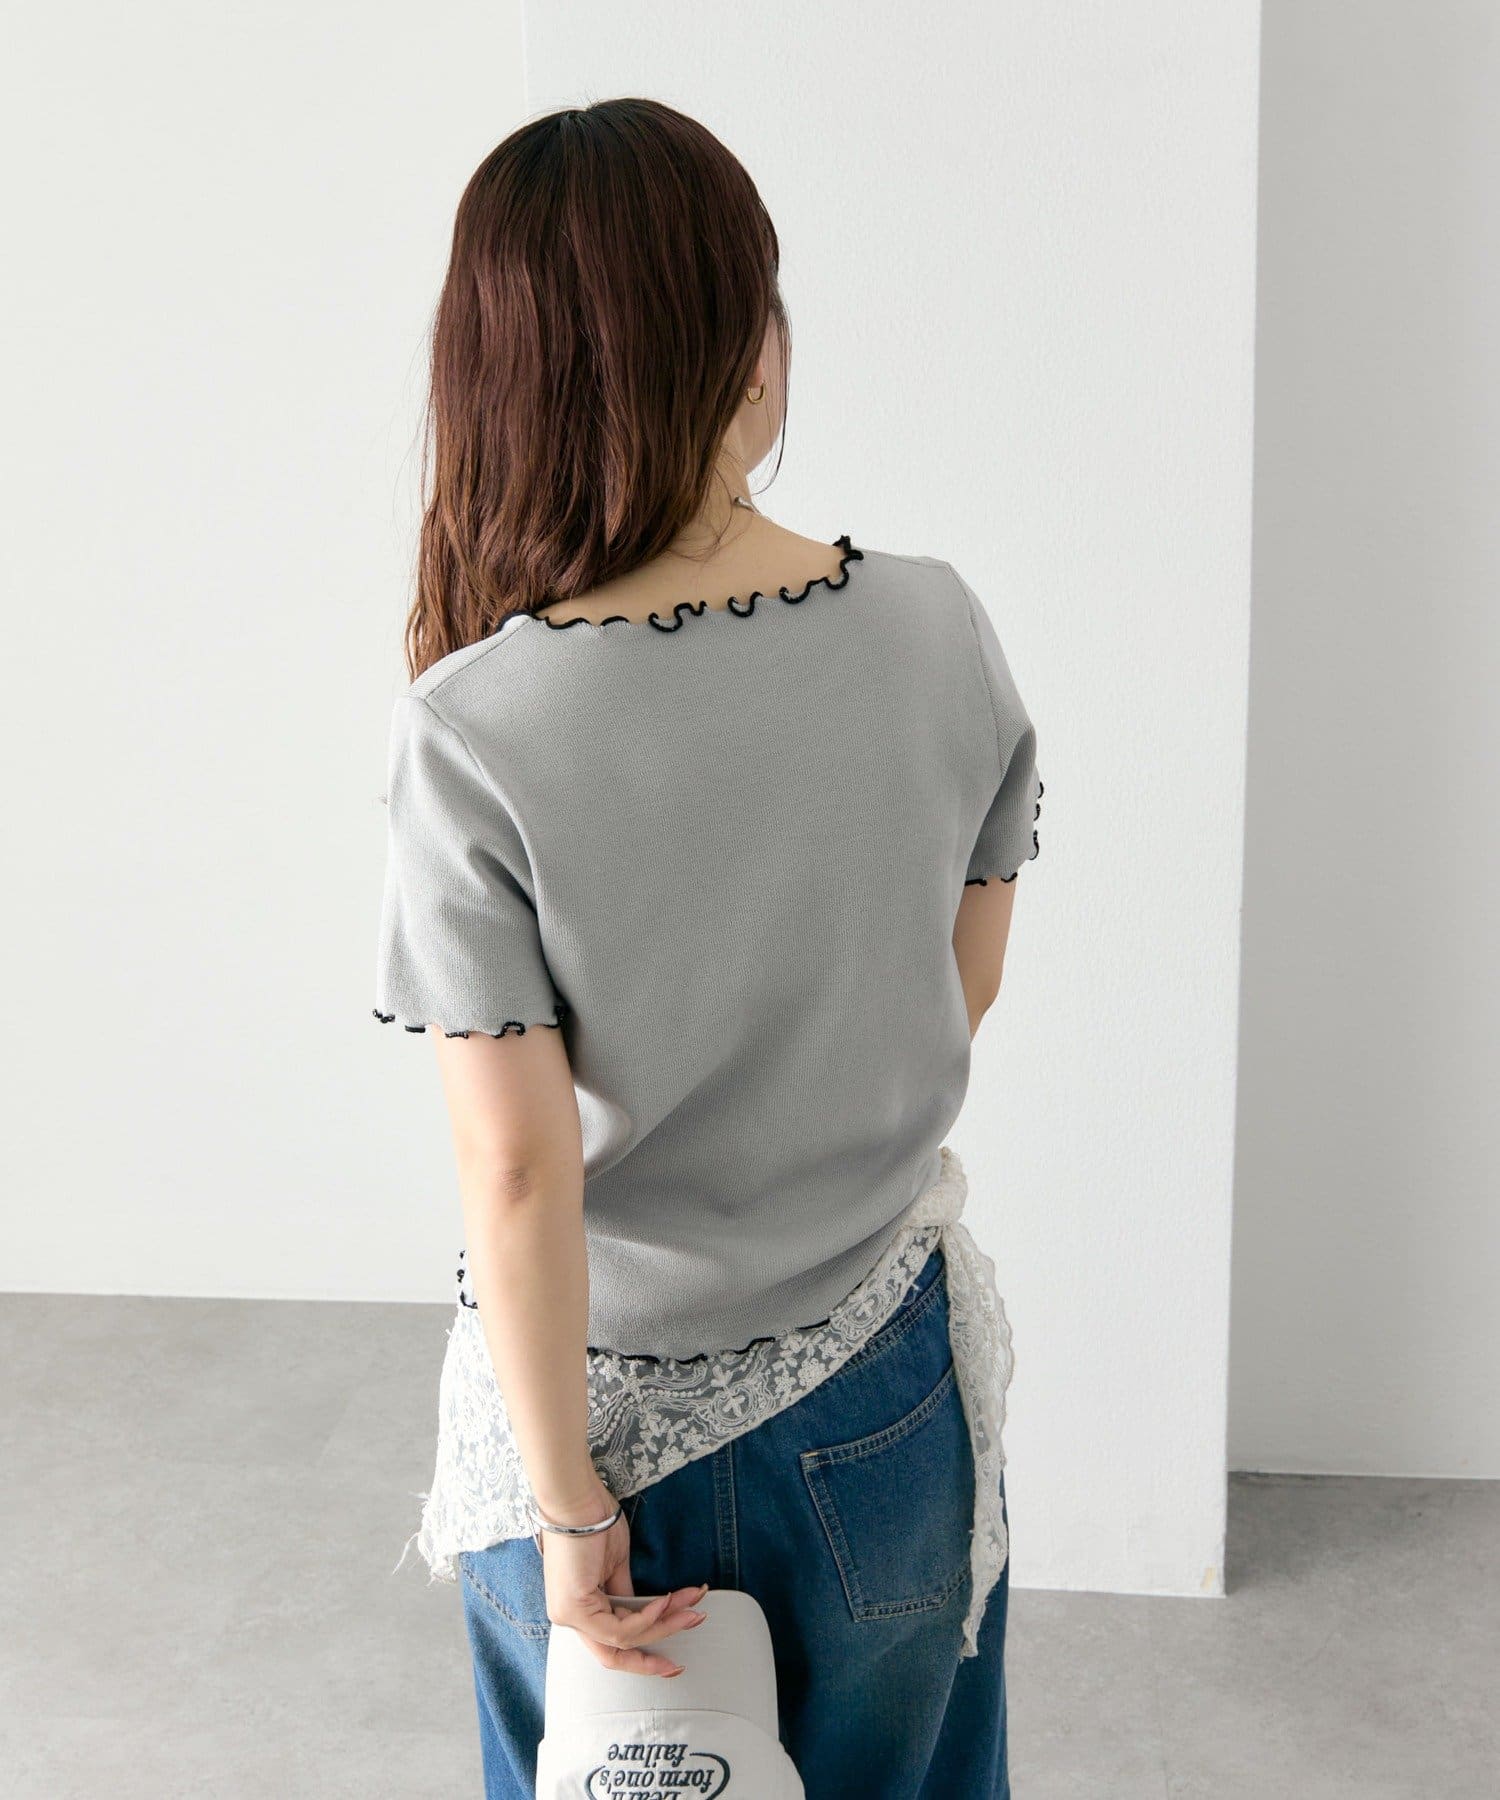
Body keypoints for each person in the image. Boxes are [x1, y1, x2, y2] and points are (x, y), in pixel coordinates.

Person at [374, 96, 1042, 1800]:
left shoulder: (475, 728)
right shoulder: (935, 625)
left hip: (595, 1425)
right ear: (754, 346)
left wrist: (567, 1507)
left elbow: (516, 1170)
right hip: (883, 1386)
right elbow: (955, 985)